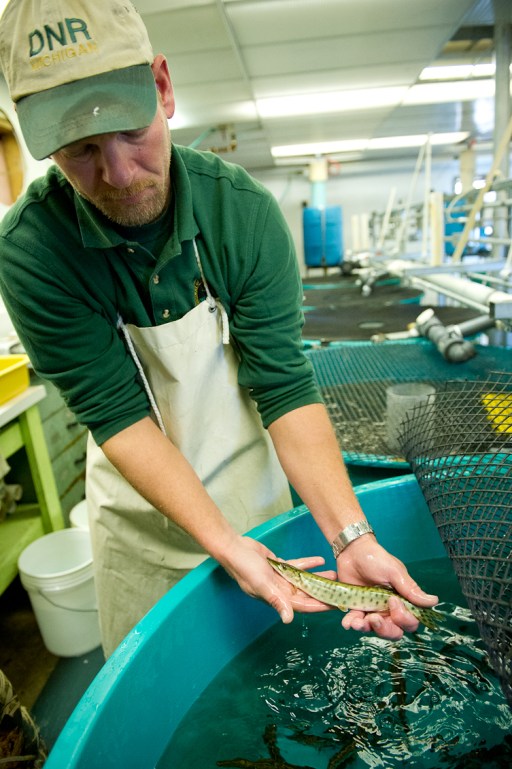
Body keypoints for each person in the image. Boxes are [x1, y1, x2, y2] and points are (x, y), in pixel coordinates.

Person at [0, 0, 438, 658]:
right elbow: (117, 415)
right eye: (82, 149)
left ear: (164, 87)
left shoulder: (241, 214)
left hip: (250, 495)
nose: (118, 176)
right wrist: (224, 544)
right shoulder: (31, 252)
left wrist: (352, 538)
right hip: (138, 522)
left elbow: (286, 387)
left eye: (130, 131)